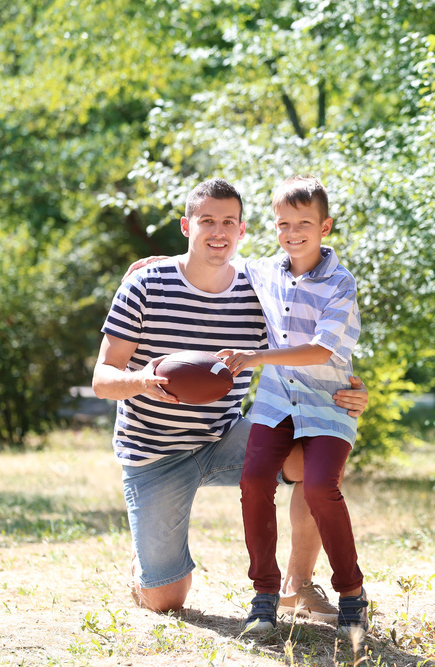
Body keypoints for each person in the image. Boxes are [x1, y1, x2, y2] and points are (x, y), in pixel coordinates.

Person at [91, 178, 367, 618]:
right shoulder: (145, 284)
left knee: (312, 460)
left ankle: (298, 586)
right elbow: (102, 379)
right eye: (206, 222)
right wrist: (141, 380)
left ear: (242, 231)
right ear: (186, 226)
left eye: (228, 222)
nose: (217, 232)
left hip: (224, 437)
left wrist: (354, 388)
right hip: (154, 456)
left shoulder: (258, 289)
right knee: (167, 600)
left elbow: (307, 338)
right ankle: (148, 570)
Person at [218, 176, 367, 639]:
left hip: (329, 402)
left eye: (304, 222)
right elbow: (218, 261)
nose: (293, 231)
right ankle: (264, 596)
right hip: (276, 402)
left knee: (322, 487)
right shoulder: (264, 271)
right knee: (254, 480)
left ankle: (352, 595)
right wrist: (161, 261)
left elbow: (322, 351)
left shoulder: (341, 283)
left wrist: (258, 357)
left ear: (325, 227)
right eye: (283, 223)